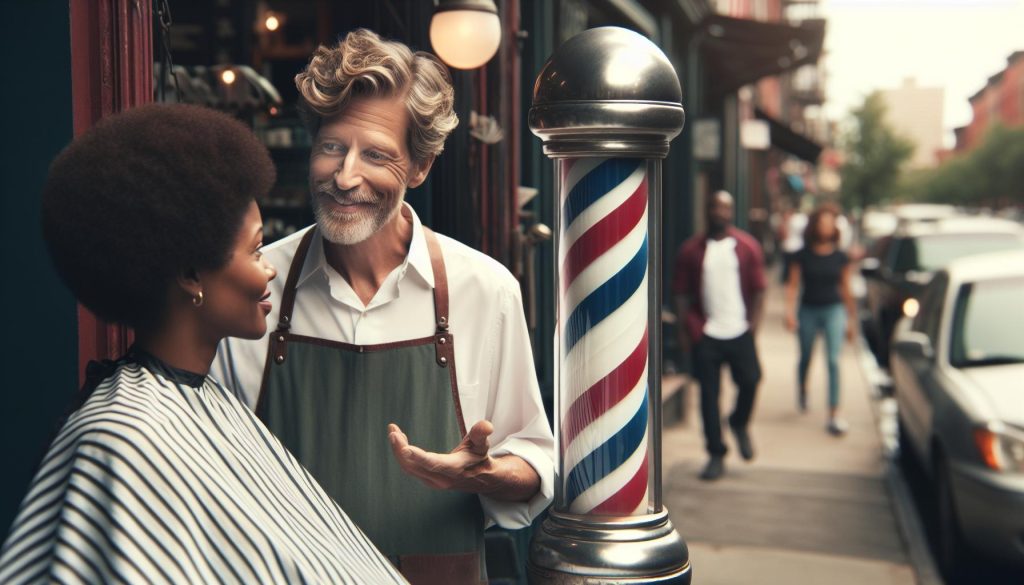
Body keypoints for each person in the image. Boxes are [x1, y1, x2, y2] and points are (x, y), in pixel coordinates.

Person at [0, 104, 406, 584]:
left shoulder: (205, 401)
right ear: (192, 274)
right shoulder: (124, 435)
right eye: (256, 250)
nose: (269, 268)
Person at [212, 29, 553, 583]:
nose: (346, 177)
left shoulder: (485, 290)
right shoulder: (256, 285)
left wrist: (485, 473)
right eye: (331, 147)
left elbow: (537, 461)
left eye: (376, 155)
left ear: (419, 168)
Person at [673, 191, 767, 481]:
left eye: (725, 208)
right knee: (709, 397)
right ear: (707, 210)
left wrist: (753, 328)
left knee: (751, 380)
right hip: (707, 332)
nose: (719, 212)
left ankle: (739, 422)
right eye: (714, 206)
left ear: (732, 211)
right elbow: (681, 294)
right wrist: (687, 333)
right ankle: (716, 453)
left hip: (739, 330)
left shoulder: (747, 247)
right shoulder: (691, 250)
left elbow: (760, 289)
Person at [784, 204, 858, 436]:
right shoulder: (802, 255)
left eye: (829, 224)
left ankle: (834, 413)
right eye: (821, 223)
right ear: (814, 227)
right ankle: (803, 387)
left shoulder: (840, 257)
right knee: (806, 355)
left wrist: (851, 319)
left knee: (834, 361)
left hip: (834, 309)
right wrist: (789, 313)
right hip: (808, 309)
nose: (826, 228)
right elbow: (793, 285)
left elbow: (846, 288)